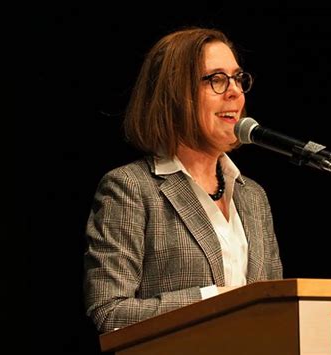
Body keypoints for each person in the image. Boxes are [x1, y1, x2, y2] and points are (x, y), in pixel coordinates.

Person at [83, 27, 283, 333]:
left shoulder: (253, 196)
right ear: (175, 94)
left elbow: (275, 311)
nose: (235, 92)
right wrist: (215, 300)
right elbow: (111, 312)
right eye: (216, 79)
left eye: (238, 78)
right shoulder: (131, 188)